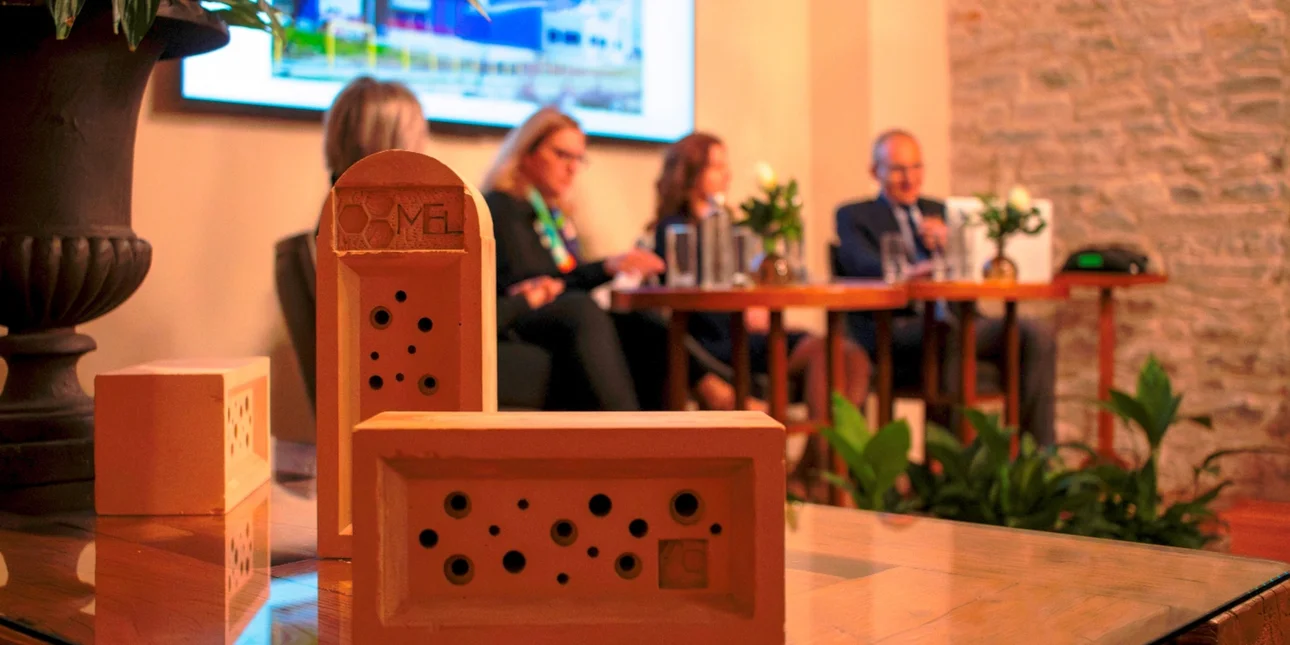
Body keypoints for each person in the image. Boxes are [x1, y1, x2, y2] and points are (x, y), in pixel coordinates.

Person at [319, 77, 559, 408]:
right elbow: (446, 325)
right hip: (412, 373)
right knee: (562, 348)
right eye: (420, 132)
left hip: (386, 365)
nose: (425, 143)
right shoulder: (391, 221)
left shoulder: (342, 213)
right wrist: (524, 302)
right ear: (399, 141)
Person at [480, 106, 739, 411]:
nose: (572, 168)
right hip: (515, 316)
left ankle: (691, 406)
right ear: (527, 152)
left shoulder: (553, 214)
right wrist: (606, 267)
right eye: (562, 155)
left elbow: (562, 278)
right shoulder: (503, 206)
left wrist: (610, 270)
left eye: (578, 159)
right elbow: (536, 282)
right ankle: (629, 431)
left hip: (554, 308)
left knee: (641, 321)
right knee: (582, 309)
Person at [834, 129, 1057, 444]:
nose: (909, 179)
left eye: (916, 167)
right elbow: (862, 265)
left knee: (1036, 334)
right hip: (897, 328)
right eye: (898, 170)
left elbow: (980, 265)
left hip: (959, 318)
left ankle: (1037, 456)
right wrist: (913, 273)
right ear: (875, 171)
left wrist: (954, 244)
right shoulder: (855, 215)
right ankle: (953, 457)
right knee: (949, 334)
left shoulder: (942, 211)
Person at [651, 132, 872, 419]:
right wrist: (744, 309)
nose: (727, 174)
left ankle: (827, 446)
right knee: (828, 353)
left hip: (750, 332)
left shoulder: (730, 224)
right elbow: (690, 296)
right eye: (716, 167)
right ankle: (824, 446)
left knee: (849, 355)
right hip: (715, 340)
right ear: (691, 172)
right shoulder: (676, 230)